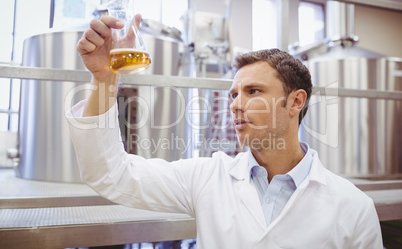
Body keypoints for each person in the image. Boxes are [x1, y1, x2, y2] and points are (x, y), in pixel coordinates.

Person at [67, 15, 383, 248]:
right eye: (234, 94)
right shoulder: (207, 177)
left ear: (295, 102)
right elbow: (110, 174)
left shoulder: (353, 208)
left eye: (254, 91)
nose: (235, 105)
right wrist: (104, 78)